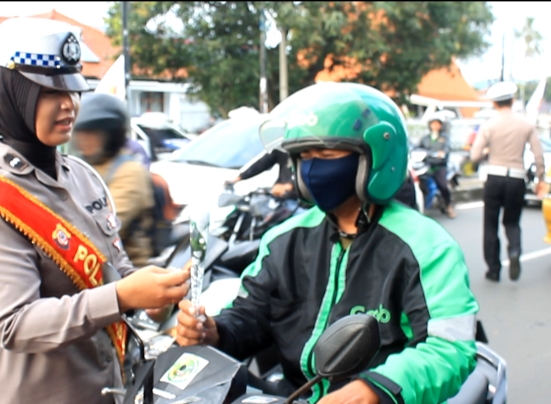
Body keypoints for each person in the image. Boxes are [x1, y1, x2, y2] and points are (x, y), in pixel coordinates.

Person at [176, 82, 479, 404]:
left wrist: (375, 388)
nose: (313, 168)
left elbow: (450, 349)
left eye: (327, 155)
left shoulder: (426, 247)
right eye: (304, 156)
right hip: (294, 394)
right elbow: (251, 314)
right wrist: (213, 331)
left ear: (373, 159)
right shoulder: (284, 239)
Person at [0, 18, 190, 404]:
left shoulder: (83, 176)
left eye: (75, 89)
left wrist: (161, 289)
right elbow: (13, 324)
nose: (69, 104)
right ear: (13, 93)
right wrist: (122, 296)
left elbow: (113, 270)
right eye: (48, 91)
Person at [470, 81, 547, 282]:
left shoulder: (488, 125)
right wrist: (541, 178)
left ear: (494, 103)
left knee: (490, 225)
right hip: (516, 179)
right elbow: (538, 156)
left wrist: (487, 155)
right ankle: (514, 250)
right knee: (512, 222)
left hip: (494, 177)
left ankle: (493, 270)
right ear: (512, 101)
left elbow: (474, 155)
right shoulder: (526, 125)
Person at [72, 92, 156, 267]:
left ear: (111, 134)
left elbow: (102, 228)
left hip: (127, 274)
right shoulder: (82, 167)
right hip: (90, 266)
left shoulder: (130, 172)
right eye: (81, 133)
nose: (83, 140)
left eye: (91, 133)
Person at [418, 115, 456, 218]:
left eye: (437, 123)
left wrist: (440, 154)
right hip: (427, 166)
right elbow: (418, 149)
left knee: (443, 186)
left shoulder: (444, 137)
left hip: (439, 166)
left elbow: (446, 150)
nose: (435, 126)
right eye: (433, 123)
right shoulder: (425, 138)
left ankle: (449, 206)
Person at [226, 148, 298, 201]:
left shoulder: (302, 149)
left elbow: (305, 169)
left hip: (299, 199)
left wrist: (289, 185)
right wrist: (239, 178)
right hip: (279, 197)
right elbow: (262, 163)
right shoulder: (281, 149)